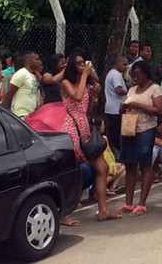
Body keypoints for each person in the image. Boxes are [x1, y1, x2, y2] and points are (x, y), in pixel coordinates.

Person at [61, 51, 121, 222]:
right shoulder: (66, 83)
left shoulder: (85, 85)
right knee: (71, 173)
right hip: (71, 131)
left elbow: (86, 109)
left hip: (85, 130)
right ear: (72, 65)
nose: (82, 65)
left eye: (83, 62)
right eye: (79, 62)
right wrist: (86, 75)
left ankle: (103, 211)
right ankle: (64, 214)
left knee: (102, 169)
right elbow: (77, 98)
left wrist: (94, 95)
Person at [118, 60, 162, 217]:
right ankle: (128, 202)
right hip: (129, 129)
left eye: (137, 76)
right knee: (130, 165)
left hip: (146, 129)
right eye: (133, 76)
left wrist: (138, 105)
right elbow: (124, 107)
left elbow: (159, 110)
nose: (135, 79)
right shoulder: (131, 90)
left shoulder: (155, 89)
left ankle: (142, 203)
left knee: (145, 165)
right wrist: (123, 107)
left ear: (146, 74)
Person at [2, 51, 42, 118]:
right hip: (20, 115)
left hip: (30, 115)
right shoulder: (22, 73)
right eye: (36, 59)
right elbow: (9, 93)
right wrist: (4, 113)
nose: (39, 62)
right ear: (28, 60)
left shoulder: (32, 76)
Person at [104, 56, 128, 152]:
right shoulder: (116, 75)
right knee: (116, 133)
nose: (126, 67)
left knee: (113, 131)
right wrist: (128, 91)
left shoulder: (110, 73)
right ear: (117, 63)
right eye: (124, 64)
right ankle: (116, 152)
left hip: (110, 107)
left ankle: (114, 151)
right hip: (116, 109)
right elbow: (118, 90)